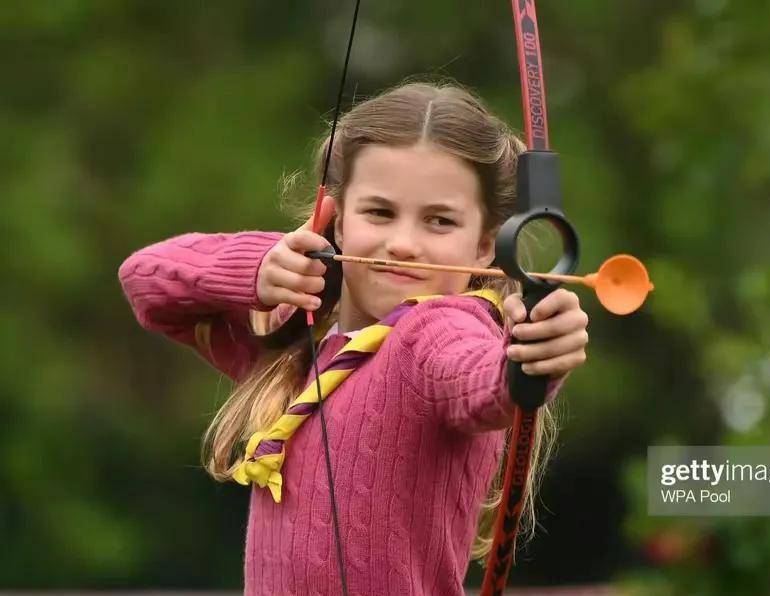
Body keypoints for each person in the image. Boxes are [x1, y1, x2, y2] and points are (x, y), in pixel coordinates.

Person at [118, 81, 590, 595]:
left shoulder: (437, 331)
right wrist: (259, 266)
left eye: (439, 220)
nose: (403, 244)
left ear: (484, 246)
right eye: (379, 212)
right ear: (335, 218)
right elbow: (145, 280)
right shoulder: (296, 348)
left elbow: (484, 382)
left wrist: (532, 358)